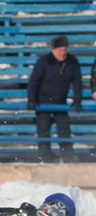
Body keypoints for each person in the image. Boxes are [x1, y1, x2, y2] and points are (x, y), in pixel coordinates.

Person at [27, 35, 83, 163]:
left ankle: (67, 156)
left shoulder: (72, 61)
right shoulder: (44, 61)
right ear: (53, 50)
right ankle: (46, 157)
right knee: (43, 130)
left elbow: (77, 82)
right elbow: (34, 81)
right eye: (60, 50)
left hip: (60, 102)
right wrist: (31, 99)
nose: (63, 53)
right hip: (43, 102)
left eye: (64, 50)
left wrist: (77, 99)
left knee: (64, 130)